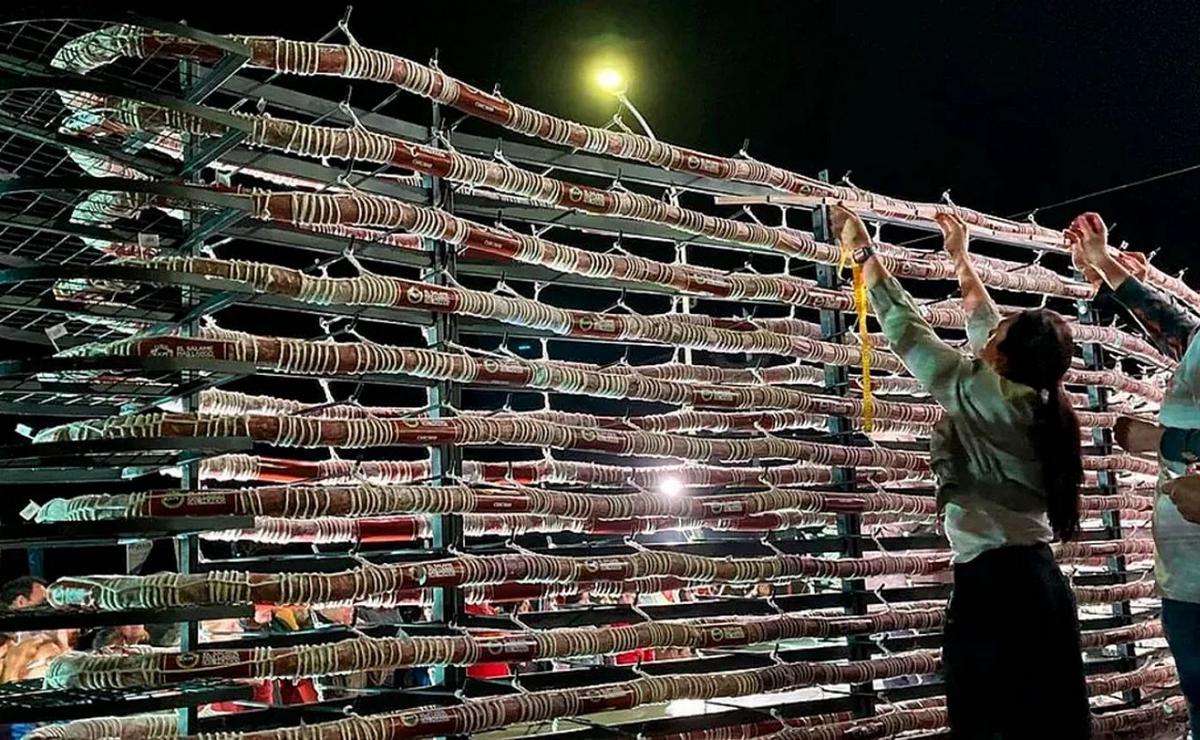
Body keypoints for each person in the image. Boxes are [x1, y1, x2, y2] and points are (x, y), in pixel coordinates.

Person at [834, 205, 1090, 739]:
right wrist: (960, 258)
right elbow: (984, 324)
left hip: (996, 592)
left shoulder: (984, 394)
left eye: (1000, 334)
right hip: (1039, 585)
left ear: (1003, 357)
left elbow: (909, 332)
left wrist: (862, 250)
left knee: (990, 725)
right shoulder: (1040, 400)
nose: (988, 332)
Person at [1068, 211, 1200, 729]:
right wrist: (1102, 266)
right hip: (1185, 576)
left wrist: (1163, 440)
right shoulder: (1195, 342)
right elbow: (1169, 322)